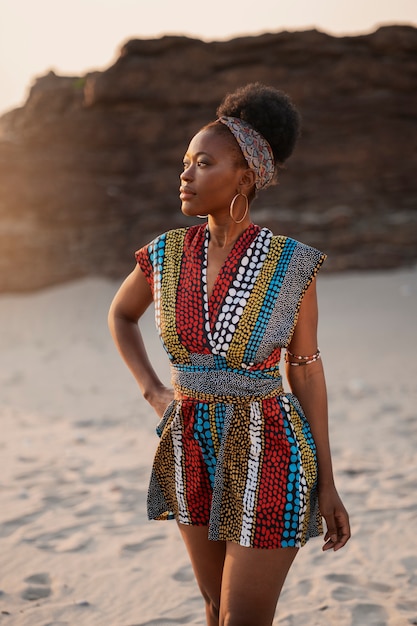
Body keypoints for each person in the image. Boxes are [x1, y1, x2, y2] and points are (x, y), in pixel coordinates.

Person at [108, 82, 350, 626]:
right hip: (189, 443)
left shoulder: (293, 264)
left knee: (243, 617)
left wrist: (328, 482)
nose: (186, 175)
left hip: (271, 447)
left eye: (202, 162)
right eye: (185, 163)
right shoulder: (166, 253)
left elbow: (306, 370)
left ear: (245, 177)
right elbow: (121, 316)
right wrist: (153, 390)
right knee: (215, 606)